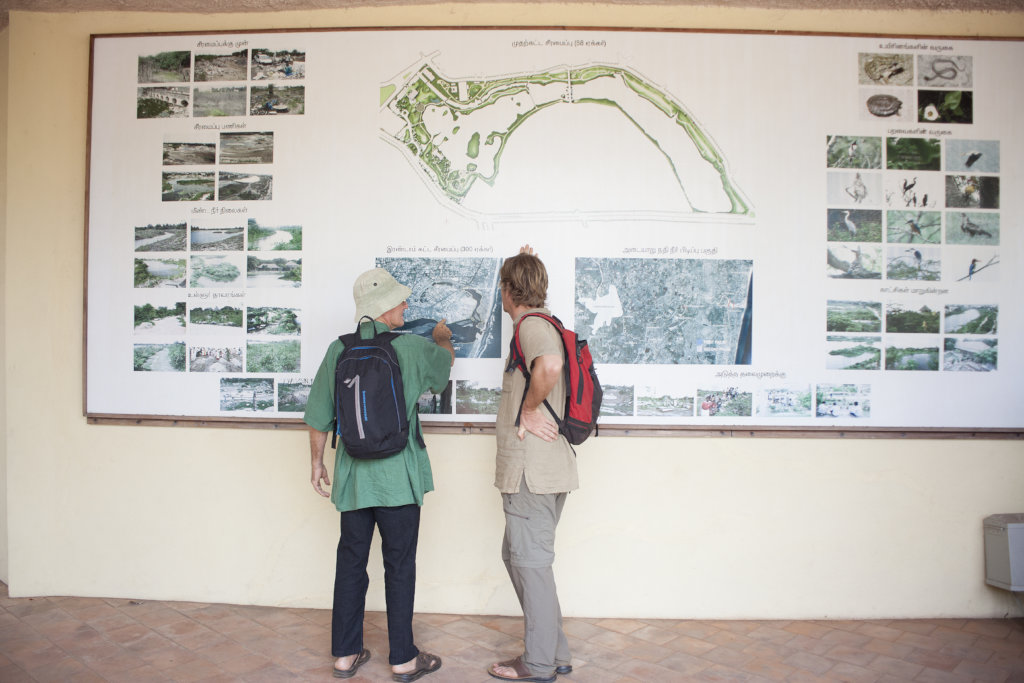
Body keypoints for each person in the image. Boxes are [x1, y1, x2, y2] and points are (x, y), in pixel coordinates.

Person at [305, 267, 454, 681]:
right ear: (386, 307)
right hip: (398, 480)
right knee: (399, 565)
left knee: (351, 562)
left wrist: (317, 463)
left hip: (354, 479)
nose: (406, 305)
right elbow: (443, 373)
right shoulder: (412, 347)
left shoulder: (339, 350)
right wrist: (443, 338)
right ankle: (403, 658)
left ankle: (345, 655)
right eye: (400, 300)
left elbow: (318, 416)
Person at [489, 246, 576, 683]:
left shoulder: (531, 326)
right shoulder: (538, 323)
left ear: (509, 290)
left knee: (530, 565)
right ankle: (555, 652)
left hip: (531, 473)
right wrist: (522, 262)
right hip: (542, 471)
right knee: (519, 557)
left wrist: (527, 409)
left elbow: (551, 365)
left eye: (502, 286)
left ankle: (539, 664)